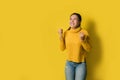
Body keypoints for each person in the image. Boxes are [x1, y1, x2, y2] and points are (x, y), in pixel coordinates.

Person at [58, 13, 91, 80]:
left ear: (79, 21)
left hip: (81, 64)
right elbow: (62, 48)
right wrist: (61, 37)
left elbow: (89, 49)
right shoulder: (66, 33)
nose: (72, 21)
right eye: (70, 19)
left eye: (75, 19)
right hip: (69, 64)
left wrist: (83, 40)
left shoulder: (84, 32)